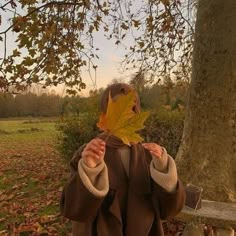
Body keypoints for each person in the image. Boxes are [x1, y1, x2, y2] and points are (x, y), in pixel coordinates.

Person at [60, 83, 186, 236]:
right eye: (116, 107)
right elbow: (73, 209)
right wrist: (89, 170)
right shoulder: (88, 153)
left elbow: (169, 210)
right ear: (105, 112)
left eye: (132, 109)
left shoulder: (148, 155)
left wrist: (164, 170)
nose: (125, 115)